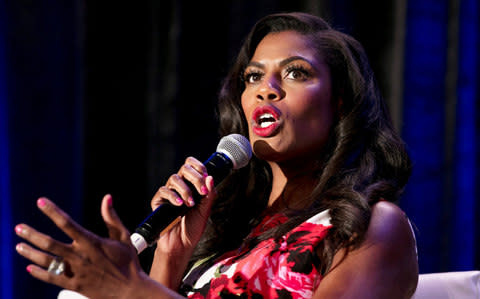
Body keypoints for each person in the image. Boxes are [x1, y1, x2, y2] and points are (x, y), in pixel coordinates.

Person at [15, 12, 419, 298]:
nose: (266, 88)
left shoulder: (373, 226)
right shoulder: (231, 238)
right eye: (253, 76)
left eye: (296, 73)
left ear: (341, 105)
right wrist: (172, 256)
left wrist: (130, 290)